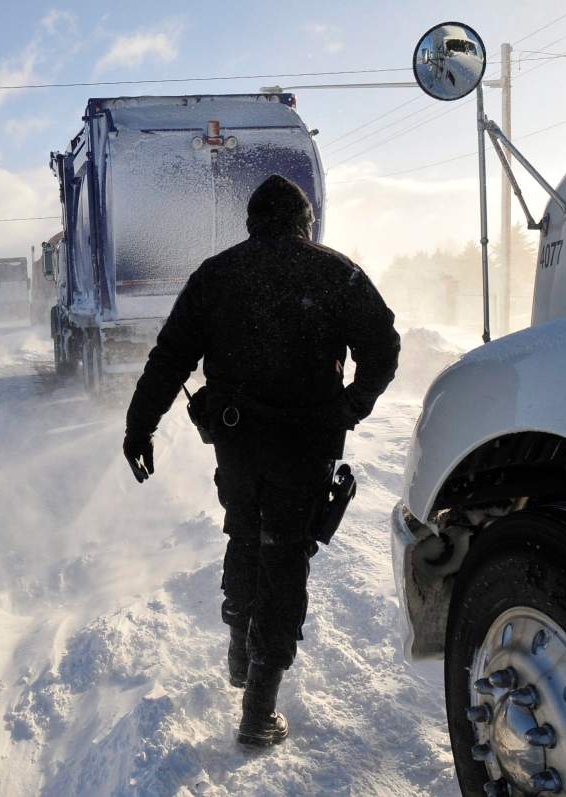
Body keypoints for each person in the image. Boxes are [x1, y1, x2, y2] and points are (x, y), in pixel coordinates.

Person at [122, 174, 400, 747]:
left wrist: (139, 427)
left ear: (252, 223)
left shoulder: (216, 274)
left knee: (245, 536)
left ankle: (238, 651)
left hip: (238, 442)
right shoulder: (336, 271)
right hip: (305, 445)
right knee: (284, 554)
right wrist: (350, 407)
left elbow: (170, 358)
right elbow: (383, 348)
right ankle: (257, 710)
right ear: (305, 222)